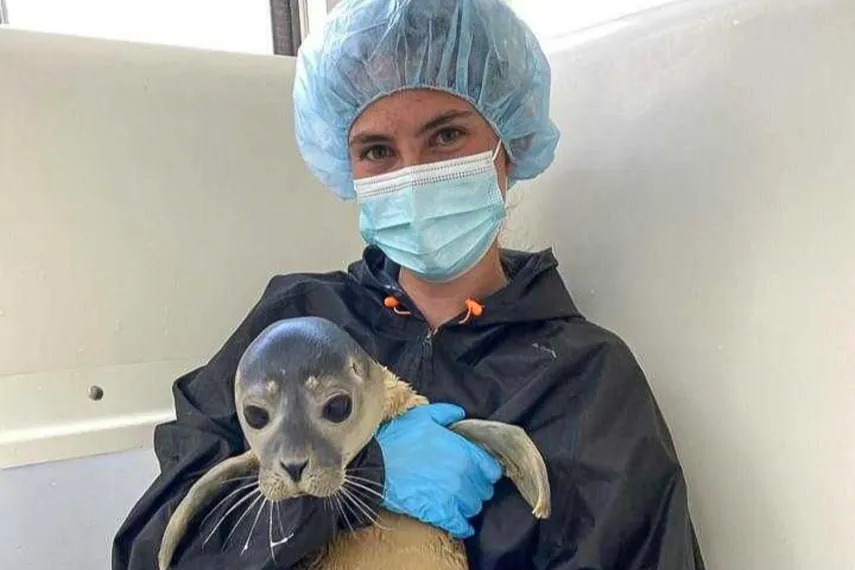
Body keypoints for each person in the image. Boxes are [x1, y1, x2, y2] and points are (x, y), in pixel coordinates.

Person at [113, 0, 706, 568]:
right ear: (347, 167)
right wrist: (364, 480)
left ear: (507, 147)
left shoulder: (586, 380)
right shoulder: (292, 325)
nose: (413, 173)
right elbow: (154, 547)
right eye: (376, 149)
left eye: (446, 136)